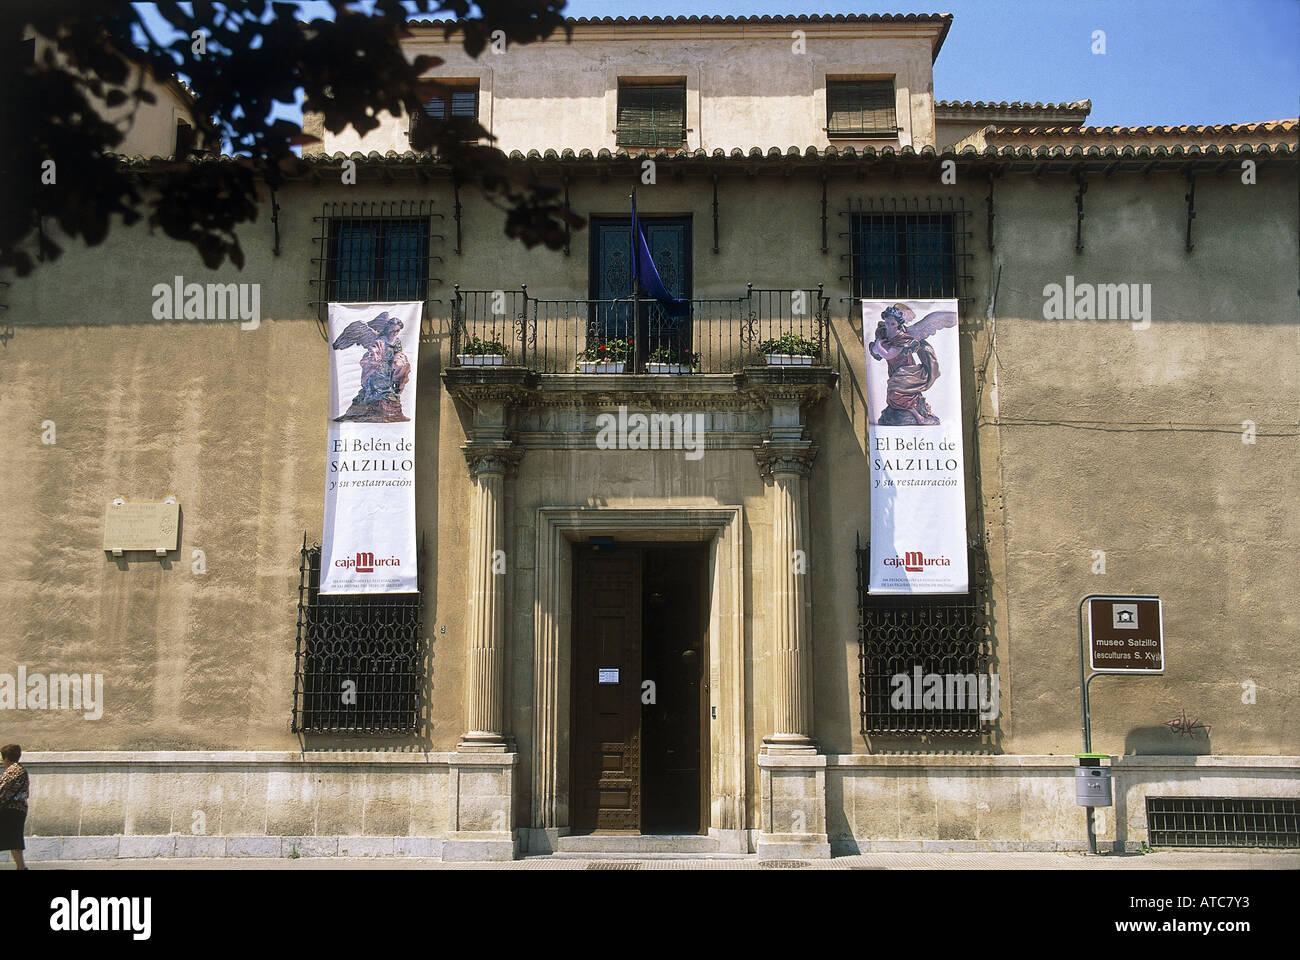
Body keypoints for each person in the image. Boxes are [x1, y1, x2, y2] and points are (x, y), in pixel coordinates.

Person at [0, 744, 28, 870]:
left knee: (14, 840)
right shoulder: (20, 770)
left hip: (10, 811)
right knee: (14, 841)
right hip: (17, 810)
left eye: (2, 757)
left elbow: (2, 791)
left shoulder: (13, 771)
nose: (1, 761)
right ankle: (21, 868)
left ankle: (21, 868)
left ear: (7, 758)